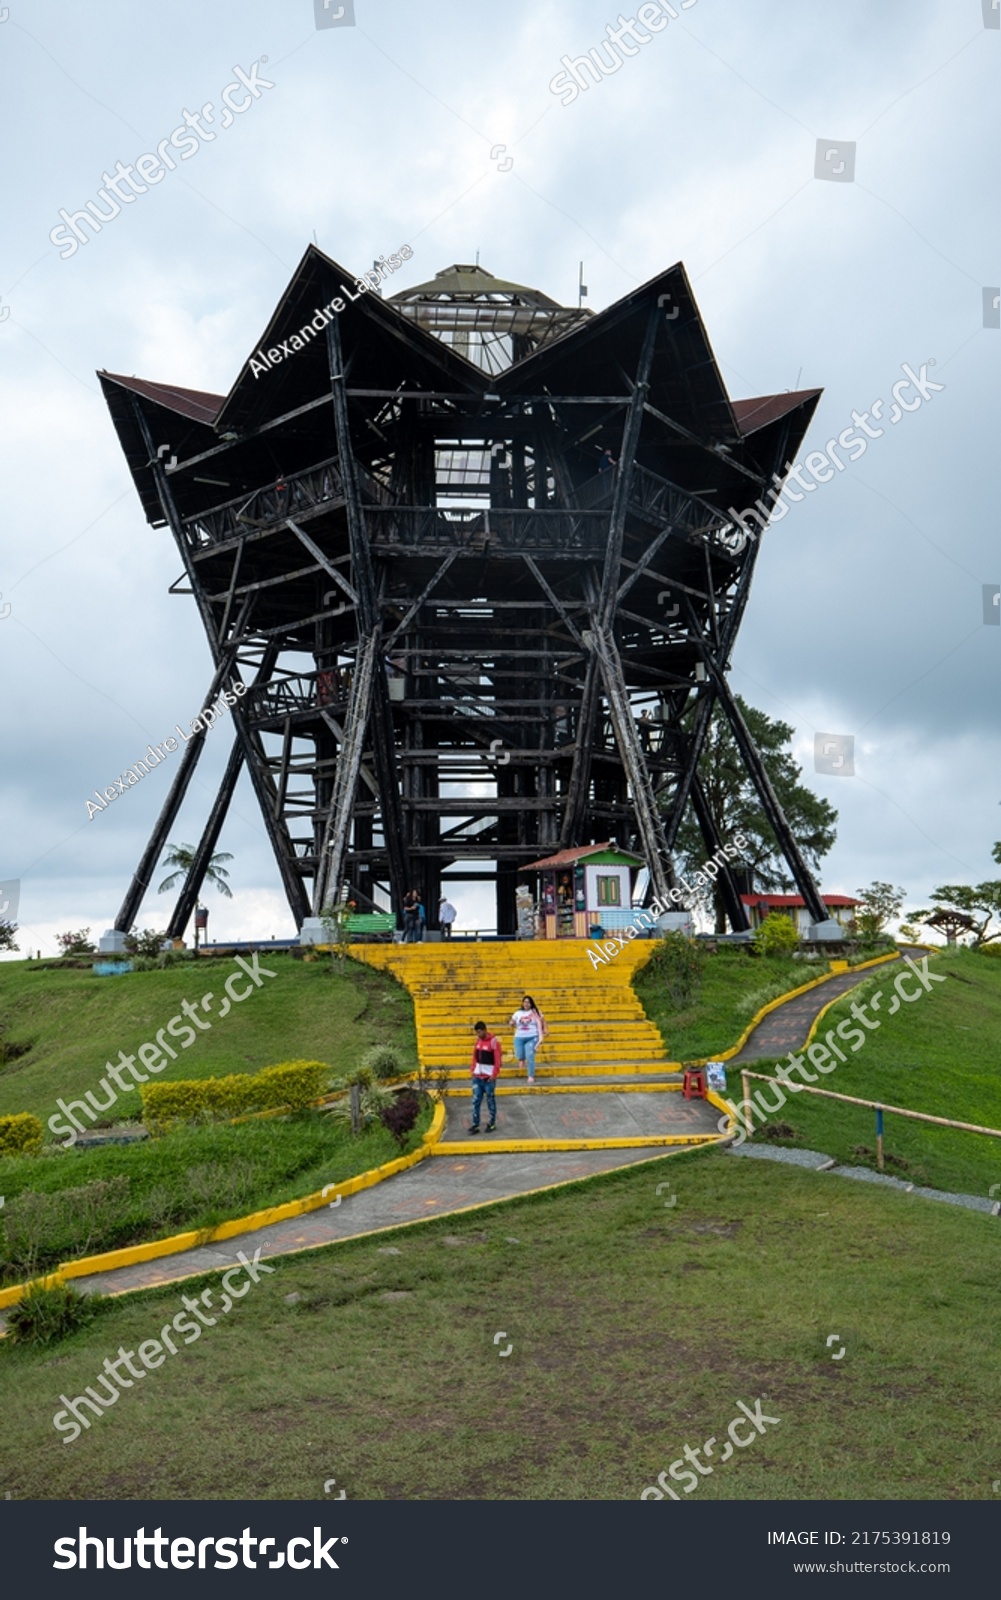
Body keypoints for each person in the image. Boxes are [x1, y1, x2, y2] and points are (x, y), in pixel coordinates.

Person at [468, 1021, 501, 1134]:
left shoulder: (494, 1042)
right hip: (478, 1077)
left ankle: (491, 1123)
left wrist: (494, 1074)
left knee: (490, 1101)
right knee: (476, 1101)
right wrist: (472, 1069)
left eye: (480, 1032)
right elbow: (474, 1057)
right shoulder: (478, 1042)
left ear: (485, 1030)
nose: (478, 1034)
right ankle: (475, 1124)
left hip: (488, 1078)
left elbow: (497, 1060)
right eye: (477, 1032)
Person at [509, 993, 546, 1085]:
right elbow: (512, 1021)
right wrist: (511, 1023)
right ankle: (521, 1059)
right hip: (519, 1037)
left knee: (530, 1056)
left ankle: (531, 1075)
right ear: (522, 1003)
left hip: (532, 1037)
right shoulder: (517, 1013)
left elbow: (543, 1021)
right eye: (525, 1002)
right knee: (519, 1054)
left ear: (531, 1004)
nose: (526, 1004)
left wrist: (545, 1029)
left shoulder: (536, 1012)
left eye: (528, 1002)